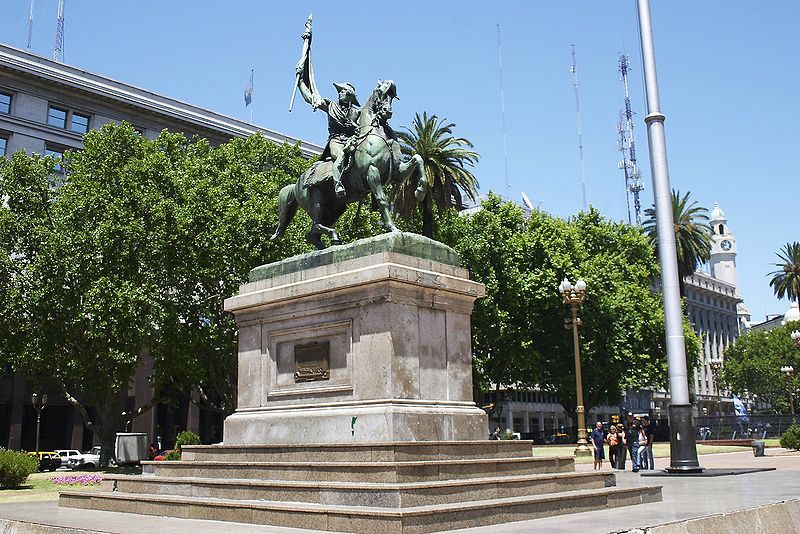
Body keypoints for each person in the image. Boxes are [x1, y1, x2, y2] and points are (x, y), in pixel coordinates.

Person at [296, 62, 361, 198]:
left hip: (352, 142)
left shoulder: (357, 113)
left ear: (349, 95)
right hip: (336, 141)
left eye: (342, 91)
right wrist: (300, 82)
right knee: (341, 156)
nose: (339, 93)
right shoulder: (331, 106)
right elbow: (310, 98)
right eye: (339, 91)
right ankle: (338, 184)